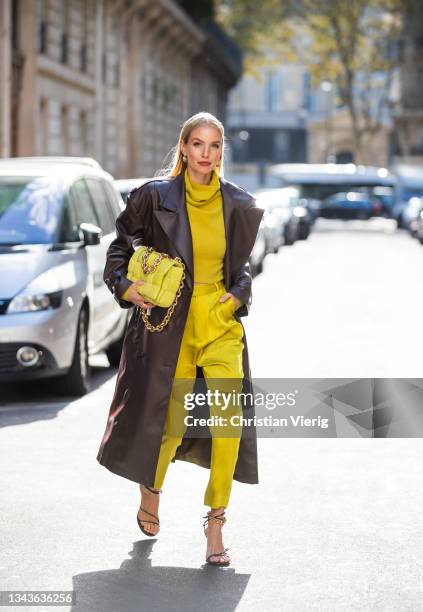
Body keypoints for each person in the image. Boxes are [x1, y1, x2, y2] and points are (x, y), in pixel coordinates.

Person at [97, 111, 264, 567]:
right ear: (184, 148)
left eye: (213, 146)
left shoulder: (237, 205)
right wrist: (125, 287)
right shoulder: (154, 198)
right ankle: (151, 490)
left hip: (220, 323)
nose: (205, 155)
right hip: (172, 323)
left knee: (228, 425)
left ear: (220, 152)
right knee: (169, 426)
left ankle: (216, 523)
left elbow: (242, 266)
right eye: (197, 145)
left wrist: (234, 298)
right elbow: (119, 248)